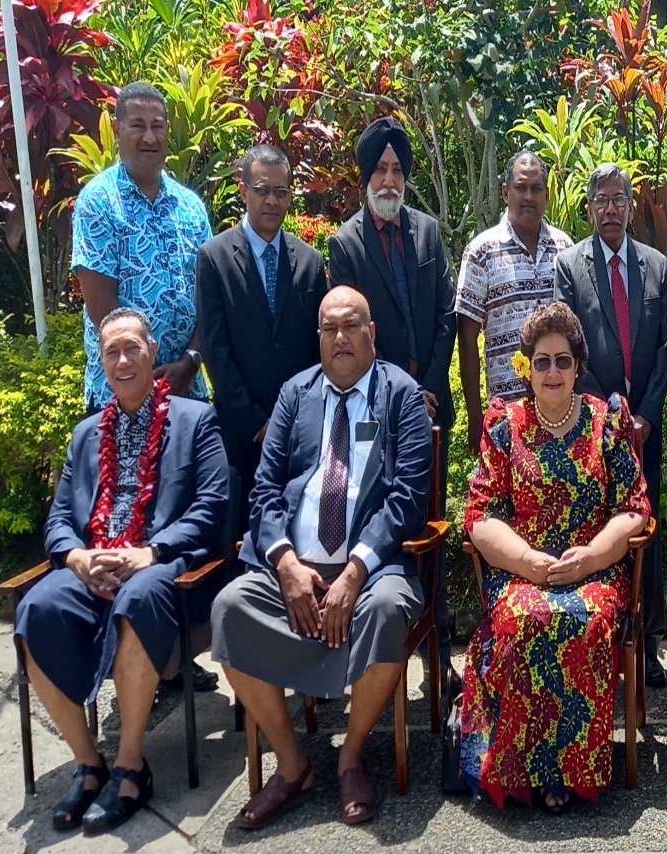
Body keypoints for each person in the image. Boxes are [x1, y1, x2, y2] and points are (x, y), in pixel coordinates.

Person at [209, 286, 433, 829]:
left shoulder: (400, 396)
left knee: (384, 611)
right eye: (329, 328)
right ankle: (292, 766)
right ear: (319, 337)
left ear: (371, 332)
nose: (340, 337)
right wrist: (285, 563)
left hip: (371, 568)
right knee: (229, 608)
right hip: (294, 566)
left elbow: (407, 496)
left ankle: (351, 756)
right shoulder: (295, 395)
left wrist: (355, 570)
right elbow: (264, 489)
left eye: (351, 325)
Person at [14, 308, 228, 834]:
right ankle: (90, 765)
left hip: (163, 570)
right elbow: (61, 518)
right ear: (101, 362)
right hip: (95, 568)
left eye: (132, 347)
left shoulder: (195, 419)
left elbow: (213, 504)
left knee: (138, 599)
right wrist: (77, 557)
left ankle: (132, 766)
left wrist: (150, 552)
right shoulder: (86, 434)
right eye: (111, 352)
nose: (123, 360)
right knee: (35, 608)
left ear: (153, 353)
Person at [460, 302, 650, 812]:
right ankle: (523, 772)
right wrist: (528, 562)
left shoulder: (606, 421)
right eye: (541, 361)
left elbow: (634, 508)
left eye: (562, 361)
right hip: (521, 571)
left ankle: (570, 773)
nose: (552, 372)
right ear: (526, 366)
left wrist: (588, 558)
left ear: (577, 365)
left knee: (585, 618)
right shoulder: (504, 425)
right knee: (527, 617)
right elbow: (479, 514)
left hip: (592, 569)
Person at [327, 115, 457, 668]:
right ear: (364, 179)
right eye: (379, 170)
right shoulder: (346, 243)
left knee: (431, 520)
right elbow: (350, 335)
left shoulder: (427, 232)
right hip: (376, 407)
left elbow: (446, 315)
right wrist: (403, 392)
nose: (389, 180)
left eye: (397, 170)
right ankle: (379, 645)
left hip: (429, 406)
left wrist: (427, 385)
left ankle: (438, 648)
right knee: (381, 516)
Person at [554, 162, 667, 689]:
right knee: (600, 529)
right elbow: (570, 348)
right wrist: (608, 415)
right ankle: (602, 639)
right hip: (595, 429)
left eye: (618, 198)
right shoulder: (569, 265)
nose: (610, 208)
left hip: (644, 431)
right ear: (588, 208)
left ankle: (647, 645)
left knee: (645, 531)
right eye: (600, 199)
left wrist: (645, 415)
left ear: (630, 205)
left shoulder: (654, 264)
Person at [196, 143, 327, 542]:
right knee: (242, 543)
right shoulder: (213, 258)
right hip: (239, 433)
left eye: (280, 191)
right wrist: (257, 424)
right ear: (243, 190)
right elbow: (215, 352)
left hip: (298, 434)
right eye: (261, 189)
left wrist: (293, 421)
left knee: (299, 535)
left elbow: (314, 348)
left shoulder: (309, 261)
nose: (271, 200)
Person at [72, 81, 212, 408]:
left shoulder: (191, 207)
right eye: (138, 126)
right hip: (121, 394)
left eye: (157, 127)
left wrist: (190, 361)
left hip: (186, 390)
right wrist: (143, 368)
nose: (150, 137)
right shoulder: (98, 201)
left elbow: (209, 297)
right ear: (117, 131)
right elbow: (100, 306)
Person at [456, 151, 574, 429]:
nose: (529, 197)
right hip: (506, 417)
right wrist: (476, 417)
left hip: (561, 412)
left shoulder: (565, 248)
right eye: (521, 188)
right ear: (506, 193)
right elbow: (467, 337)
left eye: (536, 189)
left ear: (547, 195)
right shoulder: (481, 252)